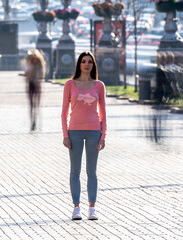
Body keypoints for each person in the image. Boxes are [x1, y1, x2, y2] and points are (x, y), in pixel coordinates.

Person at [61, 51, 107, 221]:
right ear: (79, 64)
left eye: (89, 62)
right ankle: (76, 208)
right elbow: (64, 112)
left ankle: (92, 208)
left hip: (94, 131)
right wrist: (65, 134)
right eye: (83, 61)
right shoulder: (69, 85)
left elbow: (103, 113)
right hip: (74, 132)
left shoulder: (99, 85)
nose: (86, 64)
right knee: (75, 171)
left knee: (92, 171)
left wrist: (103, 136)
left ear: (93, 65)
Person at [24, 49, 45, 131]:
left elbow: (42, 74)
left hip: (38, 85)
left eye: (35, 58)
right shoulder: (29, 64)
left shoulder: (40, 65)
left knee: (37, 104)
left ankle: (36, 119)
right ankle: (32, 121)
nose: (34, 60)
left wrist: (38, 79)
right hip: (31, 84)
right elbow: (26, 74)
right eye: (32, 58)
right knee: (31, 104)